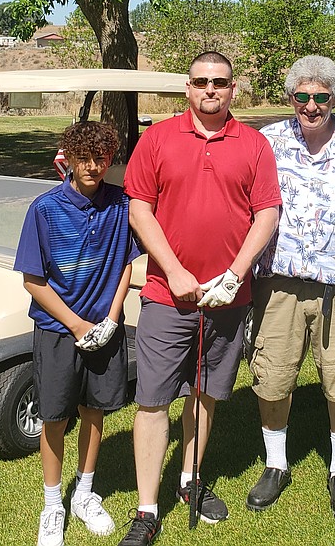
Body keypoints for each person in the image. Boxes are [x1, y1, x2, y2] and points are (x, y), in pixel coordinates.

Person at [118, 51, 282, 546]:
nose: (211, 90)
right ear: (187, 89)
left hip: (228, 299)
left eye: (221, 83)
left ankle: (190, 479)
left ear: (234, 89)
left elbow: (267, 212)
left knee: (206, 393)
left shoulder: (254, 145)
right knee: (152, 400)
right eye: (201, 82)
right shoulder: (158, 138)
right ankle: (147, 510)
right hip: (168, 296)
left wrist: (236, 273)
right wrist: (174, 271)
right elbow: (139, 210)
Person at [246, 55, 335, 521]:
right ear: (290, 98)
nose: (311, 105)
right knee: (272, 376)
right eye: (302, 96)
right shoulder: (266, 142)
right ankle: (275, 464)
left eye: (321, 96)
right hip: (278, 285)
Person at [14, 121, 139, 546]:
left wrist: (113, 316)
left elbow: (125, 261)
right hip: (58, 332)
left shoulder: (120, 204)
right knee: (55, 416)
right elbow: (33, 280)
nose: (93, 167)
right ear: (66, 158)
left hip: (106, 330)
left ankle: (84, 493)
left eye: (101, 158)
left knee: (95, 411)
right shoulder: (44, 209)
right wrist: (78, 324)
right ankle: (53, 505)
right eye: (84, 158)